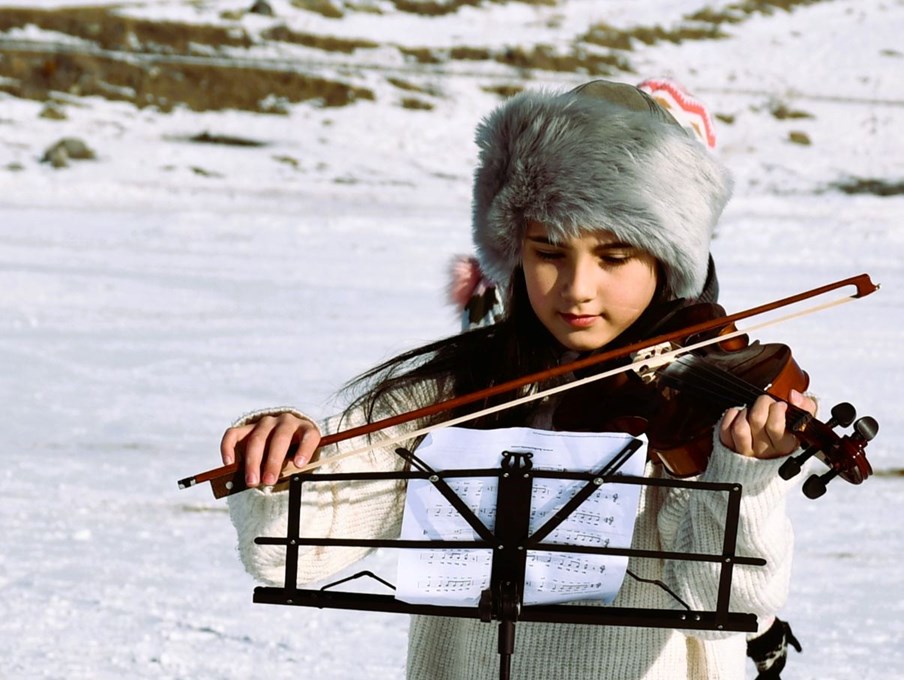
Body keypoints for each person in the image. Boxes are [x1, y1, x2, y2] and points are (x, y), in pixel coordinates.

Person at [220, 79, 816, 680]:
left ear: (665, 260)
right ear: (515, 254)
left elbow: (737, 596)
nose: (577, 288)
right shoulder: (456, 389)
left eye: (613, 258)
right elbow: (283, 554)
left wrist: (744, 473)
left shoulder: (693, 411)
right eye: (549, 252)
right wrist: (281, 460)